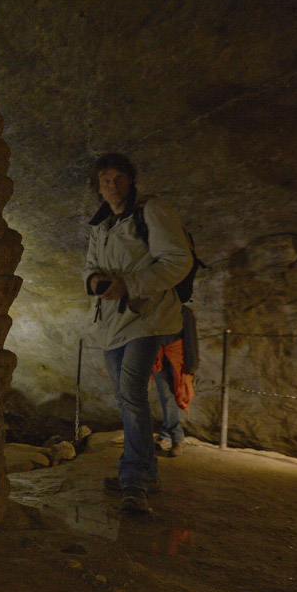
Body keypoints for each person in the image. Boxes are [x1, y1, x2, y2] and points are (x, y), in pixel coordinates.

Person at [83, 153, 192, 513]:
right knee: (124, 396)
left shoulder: (152, 211)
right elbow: (90, 267)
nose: (111, 185)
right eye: (104, 180)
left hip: (147, 318)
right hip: (112, 322)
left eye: (117, 178)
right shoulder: (100, 226)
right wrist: (96, 281)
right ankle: (147, 472)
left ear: (130, 181)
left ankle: (133, 479)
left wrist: (130, 284)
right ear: (99, 187)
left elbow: (178, 260)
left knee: (130, 394)